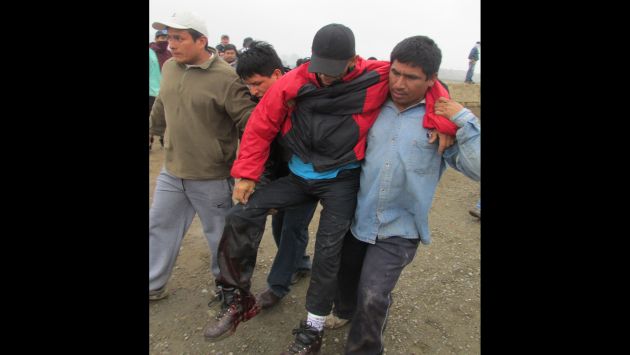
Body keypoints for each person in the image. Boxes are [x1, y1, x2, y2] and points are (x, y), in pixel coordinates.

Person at [202, 23, 393, 354]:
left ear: (353, 60)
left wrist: (446, 119)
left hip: (341, 180)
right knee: (241, 213)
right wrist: (246, 174)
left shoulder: (377, 76)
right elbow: (261, 125)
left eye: (334, 70)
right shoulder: (296, 81)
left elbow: (423, 81)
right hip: (299, 175)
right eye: (321, 69)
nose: (326, 77)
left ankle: (313, 329)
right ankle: (238, 299)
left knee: (328, 253)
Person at [331, 35, 480, 354]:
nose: (399, 83)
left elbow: (477, 169)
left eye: (411, 77)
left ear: (431, 80)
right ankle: (345, 312)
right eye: (395, 72)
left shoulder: (439, 122)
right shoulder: (372, 105)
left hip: (399, 230)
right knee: (345, 279)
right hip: (358, 219)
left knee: (372, 295)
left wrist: (463, 120)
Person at [148, 10, 256, 302]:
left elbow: (249, 122)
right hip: (173, 170)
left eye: (179, 38)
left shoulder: (225, 78)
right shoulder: (170, 67)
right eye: (170, 38)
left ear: (202, 41)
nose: (172, 44)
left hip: (212, 175)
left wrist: (248, 168)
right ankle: (153, 284)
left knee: (218, 236)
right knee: (158, 226)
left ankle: (227, 287)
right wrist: (153, 129)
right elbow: (162, 103)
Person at [235, 41, 318, 310]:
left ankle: (277, 286)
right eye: (248, 85)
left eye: (258, 83)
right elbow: (259, 147)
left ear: (278, 75)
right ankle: (302, 263)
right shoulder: (256, 105)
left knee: (293, 227)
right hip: (280, 178)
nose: (254, 91)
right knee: (280, 226)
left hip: (309, 176)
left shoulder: (306, 97)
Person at [149, 29, 172, 151]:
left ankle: (164, 140)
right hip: (151, 91)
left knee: (167, 117)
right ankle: (150, 141)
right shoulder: (150, 52)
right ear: (156, 39)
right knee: (151, 117)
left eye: (165, 38)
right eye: (161, 38)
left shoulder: (170, 53)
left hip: (166, 90)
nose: (163, 40)